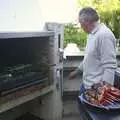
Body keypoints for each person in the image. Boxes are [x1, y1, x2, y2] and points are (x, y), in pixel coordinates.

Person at [69, 7, 117, 94]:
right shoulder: (92, 34)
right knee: (81, 107)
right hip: (86, 86)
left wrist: (104, 93)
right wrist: (77, 71)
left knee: (87, 108)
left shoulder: (104, 35)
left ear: (86, 21)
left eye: (81, 23)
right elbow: (89, 57)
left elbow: (110, 66)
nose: (80, 26)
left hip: (96, 90)